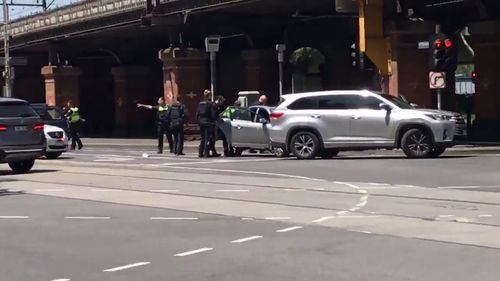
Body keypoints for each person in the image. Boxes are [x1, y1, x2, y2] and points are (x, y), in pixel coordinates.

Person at [196, 90, 217, 158]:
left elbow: (197, 114)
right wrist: (213, 121)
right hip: (208, 122)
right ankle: (206, 153)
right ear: (209, 95)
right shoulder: (210, 104)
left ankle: (200, 153)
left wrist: (198, 121)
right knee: (207, 138)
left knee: (202, 138)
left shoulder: (200, 103)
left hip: (201, 122)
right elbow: (212, 115)